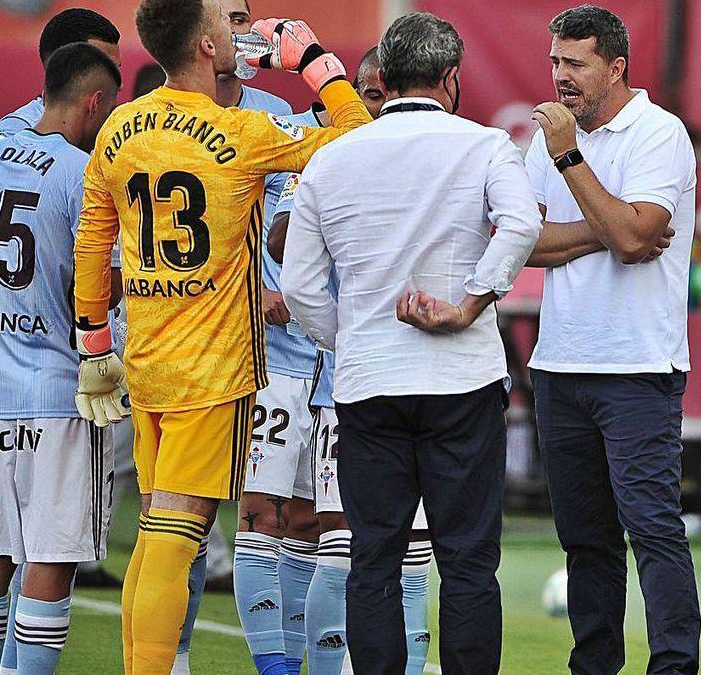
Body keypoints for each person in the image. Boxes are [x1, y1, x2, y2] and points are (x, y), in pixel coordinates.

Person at [70, 0, 372, 671]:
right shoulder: (244, 133)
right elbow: (358, 135)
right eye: (224, 24)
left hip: (144, 362)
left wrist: (95, 344)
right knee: (179, 539)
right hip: (209, 371)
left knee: (156, 536)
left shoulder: (121, 128)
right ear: (207, 46)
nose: (237, 34)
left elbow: (93, 242)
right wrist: (312, 61)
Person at [282, 12, 540, 674]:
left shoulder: (331, 157)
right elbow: (520, 226)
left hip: (370, 383)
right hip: (462, 379)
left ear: (383, 79)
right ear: (451, 78)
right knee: (468, 560)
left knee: (374, 557)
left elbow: (305, 285)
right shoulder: (484, 145)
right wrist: (469, 304)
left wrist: (352, 338)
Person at [0, 43, 121, 675]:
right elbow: (101, 284)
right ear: (93, 102)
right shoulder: (81, 173)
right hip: (59, 395)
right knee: (52, 557)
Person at [524, 5, 701, 673]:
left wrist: (570, 158)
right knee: (585, 542)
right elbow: (522, 243)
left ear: (617, 66)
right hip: (560, 365)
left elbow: (638, 238)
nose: (560, 76)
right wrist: (611, 226)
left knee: (654, 531)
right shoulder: (543, 135)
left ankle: (674, 667)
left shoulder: (658, 133)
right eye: (554, 62)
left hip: (638, 367)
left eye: (575, 63)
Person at [270, 46, 434, 675]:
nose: (369, 105)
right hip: (350, 380)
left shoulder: (436, 151)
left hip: (431, 381)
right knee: (339, 544)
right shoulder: (329, 156)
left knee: (415, 553)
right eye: (358, 92)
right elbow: (284, 243)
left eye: (377, 92)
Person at [0, 8, 121, 146]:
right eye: (107, 69)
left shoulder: (120, 131)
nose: (119, 85)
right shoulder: (12, 134)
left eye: (117, 69)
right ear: (65, 63)